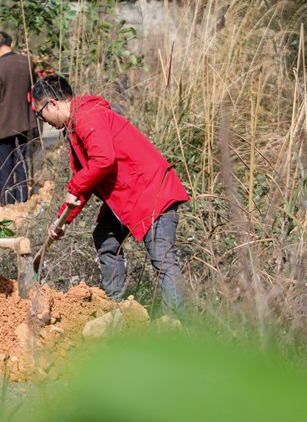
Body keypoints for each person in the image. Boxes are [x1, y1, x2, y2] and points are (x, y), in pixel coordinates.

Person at [31, 75, 190, 315]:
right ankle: (116, 305)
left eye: (39, 112)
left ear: (52, 103)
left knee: (162, 258)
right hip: (130, 196)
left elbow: (103, 160)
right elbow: (86, 179)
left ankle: (177, 324)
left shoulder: (87, 116)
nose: (42, 119)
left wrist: (73, 188)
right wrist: (62, 219)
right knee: (105, 235)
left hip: (152, 192)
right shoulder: (75, 126)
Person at [0, 31, 37, 205]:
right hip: (24, 122)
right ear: (11, 44)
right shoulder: (27, 62)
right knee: (21, 162)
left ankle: (7, 203)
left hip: (2, 125)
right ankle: (23, 199)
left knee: (4, 167)